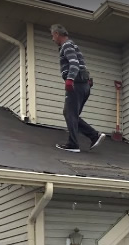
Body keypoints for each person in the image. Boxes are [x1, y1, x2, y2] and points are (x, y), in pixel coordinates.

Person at [51, 24, 105, 152]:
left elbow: (74, 63)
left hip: (76, 84)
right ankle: (94, 136)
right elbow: (81, 65)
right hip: (83, 85)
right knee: (71, 114)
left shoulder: (67, 45)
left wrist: (70, 79)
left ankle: (73, 144)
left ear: (57, 34)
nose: (52, 39)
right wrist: (85, 81)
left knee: (70, 114)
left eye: (53, 36)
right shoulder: (72, 45)